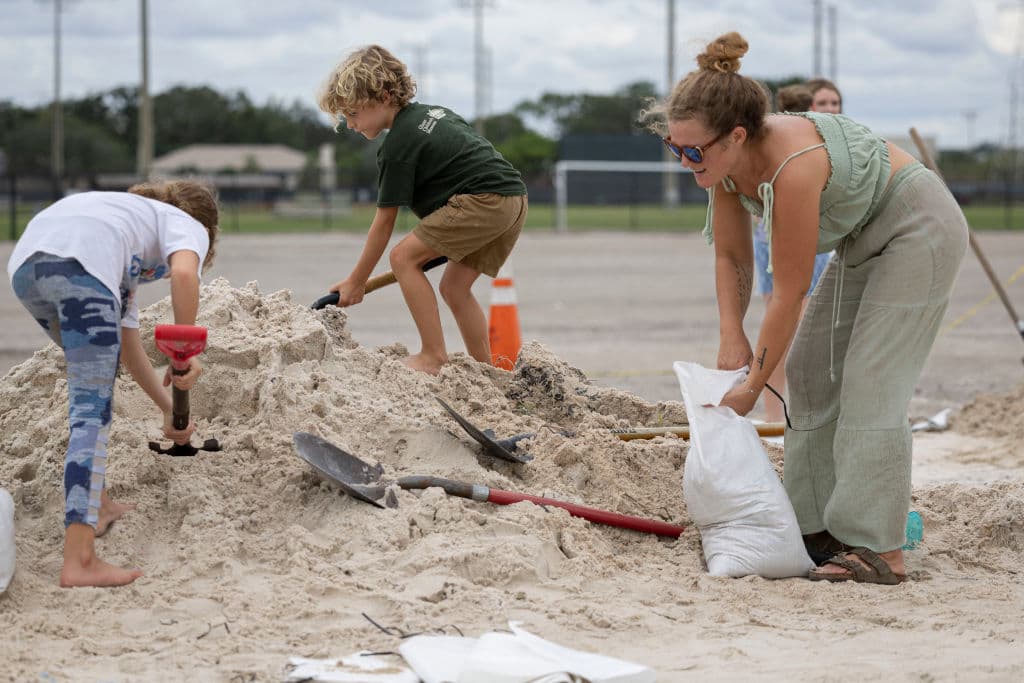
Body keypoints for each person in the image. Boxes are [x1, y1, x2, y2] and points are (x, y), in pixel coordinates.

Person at [652, 33, 967, 583]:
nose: (684, 162)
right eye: (673, 148)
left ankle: (878, 549)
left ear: (738, 135)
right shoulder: (720, 167)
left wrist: (752, 383)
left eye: (693, 150)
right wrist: (733, 337)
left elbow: (790, 289)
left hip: (918, 227)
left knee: (871, 379)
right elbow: (731, 257)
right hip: (862, 237)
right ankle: (816, 527)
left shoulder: (794, 165)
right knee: (809, 369)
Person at [7, 180, 218, 587]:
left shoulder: (121, 233)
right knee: (92, 411)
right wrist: (185, 351)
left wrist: (167, 408)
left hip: (29, 268)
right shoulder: (187, 223)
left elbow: (127, 346)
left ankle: (97, 505)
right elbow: (185, 275)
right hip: (80, 270)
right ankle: (80, 560)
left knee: (97, 380)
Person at [317, 45, 528, 375]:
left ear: (385, 95)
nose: (350, 125)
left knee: (403, 258)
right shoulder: (434, 113)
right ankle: (487, 372)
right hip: (512, 198)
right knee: (454, 289)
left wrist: (356, 281)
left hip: (483, 200)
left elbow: (384, 222)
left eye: (354, 114)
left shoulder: (397, 145)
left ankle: (432, 355)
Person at [752, 81, 837, 422]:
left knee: (799, 330)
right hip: (773, 238)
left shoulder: (836, 144)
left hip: (807, 238)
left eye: (836, 101)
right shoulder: (796, 141)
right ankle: (777, 416)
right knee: (785, 328)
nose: (830, 108)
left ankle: (797, 414)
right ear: (807, 106)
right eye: (823, 102)